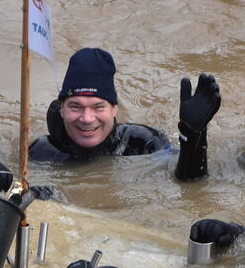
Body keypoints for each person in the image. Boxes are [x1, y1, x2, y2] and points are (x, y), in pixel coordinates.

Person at [28, 47, 221, 182]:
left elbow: (189, 186)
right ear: (61, 109)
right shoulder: (42, 152)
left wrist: (192, 136)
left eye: (98, 107)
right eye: (75, 107)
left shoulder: (143, 142)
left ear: (115, 109)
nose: (86, 118)